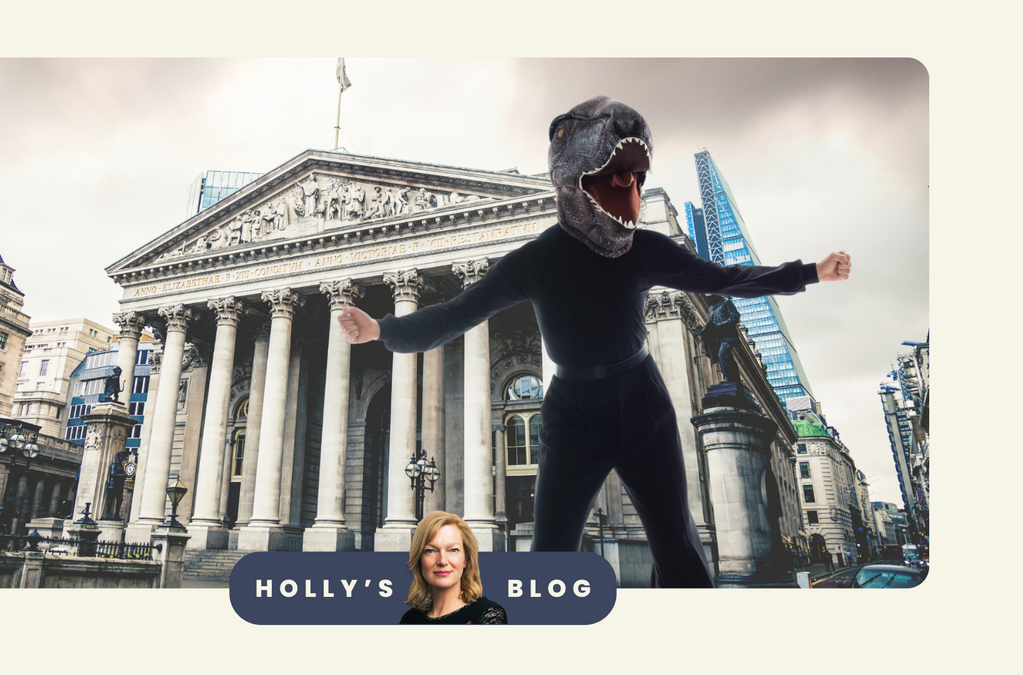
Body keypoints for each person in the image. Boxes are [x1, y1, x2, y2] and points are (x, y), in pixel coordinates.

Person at [339, 96, 852, 589]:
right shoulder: (536, 260)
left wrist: (809, 271)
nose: (628, 187)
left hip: (642, 402)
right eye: (614, 174)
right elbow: (455, 315)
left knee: (676, 543)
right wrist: (384, 329)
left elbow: (725, 278)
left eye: (635, 176)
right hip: (571, 411)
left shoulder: (641, 247)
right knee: (550, 552)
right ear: (575, 182)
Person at [399, 511, 507, 624]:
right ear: (419, 559)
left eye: (453, 550)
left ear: (466, 559)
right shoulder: (409, 619)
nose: (442, 561)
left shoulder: (488, 613)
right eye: (430, 551)